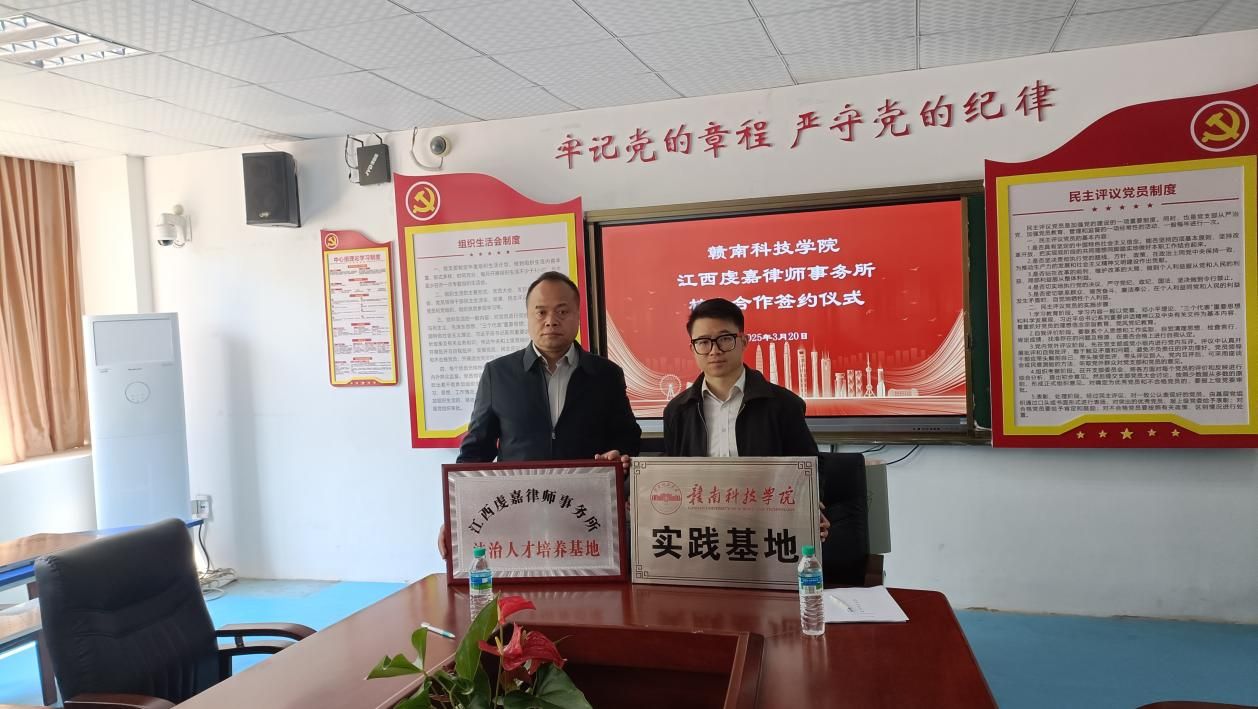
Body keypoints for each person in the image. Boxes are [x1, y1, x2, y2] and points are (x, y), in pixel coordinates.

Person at [438, 271, 641, 558]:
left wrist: (619, 455)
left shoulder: (606, 374)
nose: (551, 320)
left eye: (562, 311)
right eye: (541, 312)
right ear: (528, 316)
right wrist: (455, 516)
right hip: (517, 516)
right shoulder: (498, 374)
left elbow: (628, 438)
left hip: (587, 515)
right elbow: (475, 453)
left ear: (577, 315)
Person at [663, 297, 828, 540]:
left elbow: (809, 469)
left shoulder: (783, 405)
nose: (714, 350)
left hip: (767, 528)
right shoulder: (678, 411)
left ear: (743, 341)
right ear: (693, 349)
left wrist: (810, 507)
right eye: (703, 342)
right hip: (701, 532)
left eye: (725, 339)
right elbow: (671, 476)